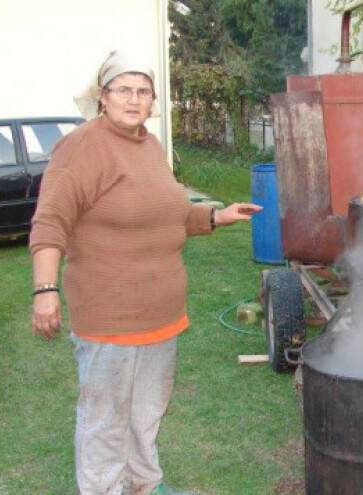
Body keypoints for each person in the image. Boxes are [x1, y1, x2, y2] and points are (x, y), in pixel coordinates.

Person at [29, 50, 262, 495]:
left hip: (162, 312)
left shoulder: (149, 145)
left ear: (153, 100)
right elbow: (49, 223)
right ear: (102, 96)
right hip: (110, 315)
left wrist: (217, 216)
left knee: (146, 410)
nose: (134, 99)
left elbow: (169, 212)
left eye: (143, 91)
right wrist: (45, 289)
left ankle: (144, 484)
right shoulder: (82, 147)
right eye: (123, 90)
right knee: (106, 416)